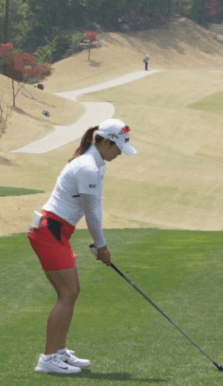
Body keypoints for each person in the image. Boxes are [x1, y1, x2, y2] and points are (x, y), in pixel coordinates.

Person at [28, 118, 137, 375]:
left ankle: (59, 351)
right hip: (50, 232)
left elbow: (95, 206)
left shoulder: (97, 165)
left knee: (72, 292)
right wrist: (102, 246)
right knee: (67, 293)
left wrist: (101, 245)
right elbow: (91, 214)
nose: (120, 153)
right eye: (118, 147)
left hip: (58, 232)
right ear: (106, 142)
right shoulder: (87, 167)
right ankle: (48, 358)